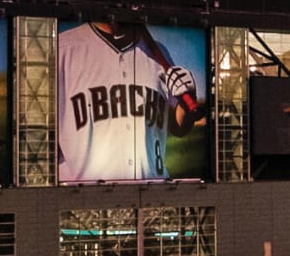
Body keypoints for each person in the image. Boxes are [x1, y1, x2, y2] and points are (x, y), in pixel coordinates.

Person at [57, 21, 206, 181]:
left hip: (153, 193)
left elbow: (179, 129)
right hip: (85, 198)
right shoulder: (62, 49)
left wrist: (187, 102)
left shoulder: (158, 53)